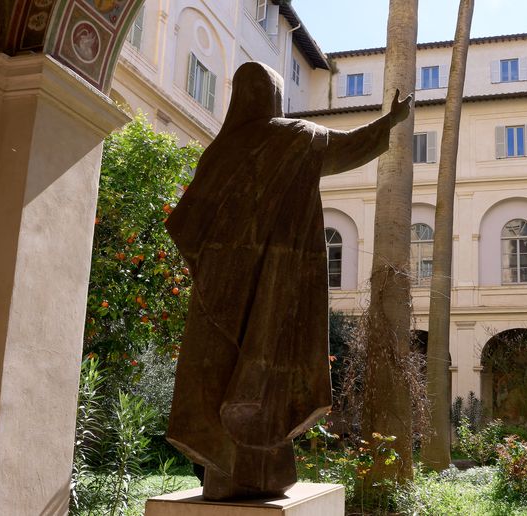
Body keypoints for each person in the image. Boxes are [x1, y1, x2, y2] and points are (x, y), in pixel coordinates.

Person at [165, 61, 412, 500]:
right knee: (266, 362)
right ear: (275, 96)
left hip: (222, 286)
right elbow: (344, 147)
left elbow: (184, 226)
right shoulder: (294, 136)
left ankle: (235, 474)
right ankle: (255, 471)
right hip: (274, 282)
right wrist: (389, 121)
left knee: (229, 367)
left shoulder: (220, 152)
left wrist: (214, 266)